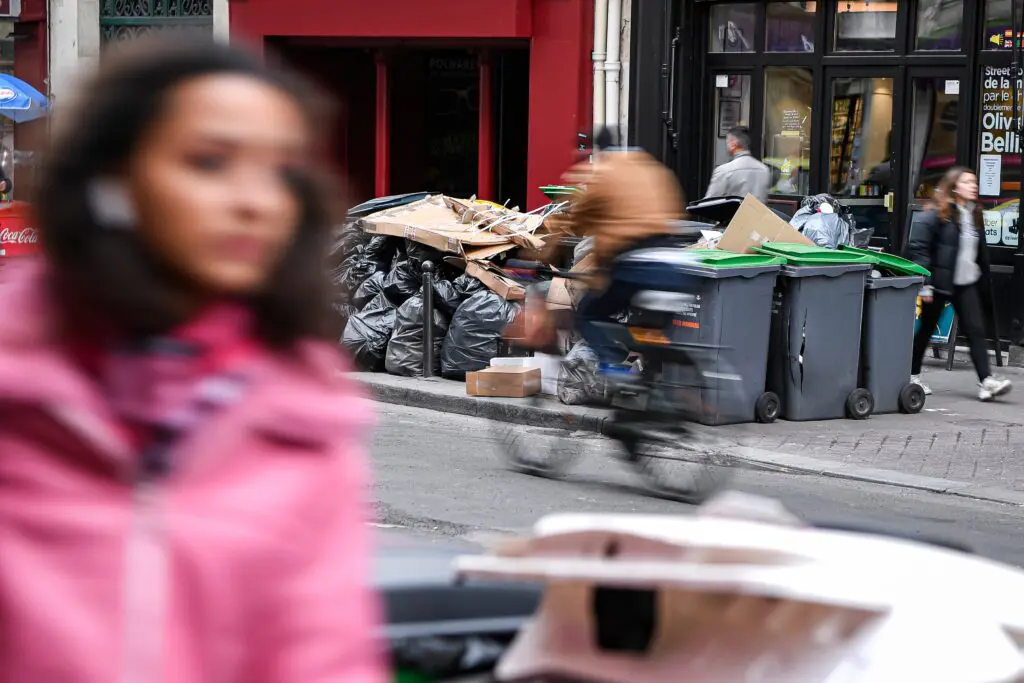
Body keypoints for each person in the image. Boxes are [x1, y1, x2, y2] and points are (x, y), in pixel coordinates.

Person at [0, 37, 384, 682]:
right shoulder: (18, 397)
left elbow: (323, 658)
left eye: (280, 170)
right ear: (112, 179)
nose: (255, 202)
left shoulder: (305, 422)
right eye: (210, 162)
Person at [558, 127, 687, 373]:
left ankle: (616, 367)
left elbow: (579, 220)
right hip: (673, 264)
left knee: (587, 314)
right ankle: (655, 377)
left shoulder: (603, 173)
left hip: (635, 265)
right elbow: (676, 213)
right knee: (651, 331)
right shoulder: (652, 167)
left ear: (598, 150)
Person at [907, 166, 1011, 402]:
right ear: (954, 187)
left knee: (975, 329)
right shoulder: (938, 213)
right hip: (939, 282)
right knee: (926, 329)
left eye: (974, 182)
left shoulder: (973, 213)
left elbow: (977, 253)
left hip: (965, 282)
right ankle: (911, 376)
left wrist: (982, 281)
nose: (973, 186)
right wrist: (925, 283)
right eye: (967, 182)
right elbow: (920, 248)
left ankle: (986, 382)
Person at [705, 125, 770, 202]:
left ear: (734, 144)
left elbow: (709, 202)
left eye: (728, 142)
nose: (727, 146)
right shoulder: (764, 170)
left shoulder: (724, 171)